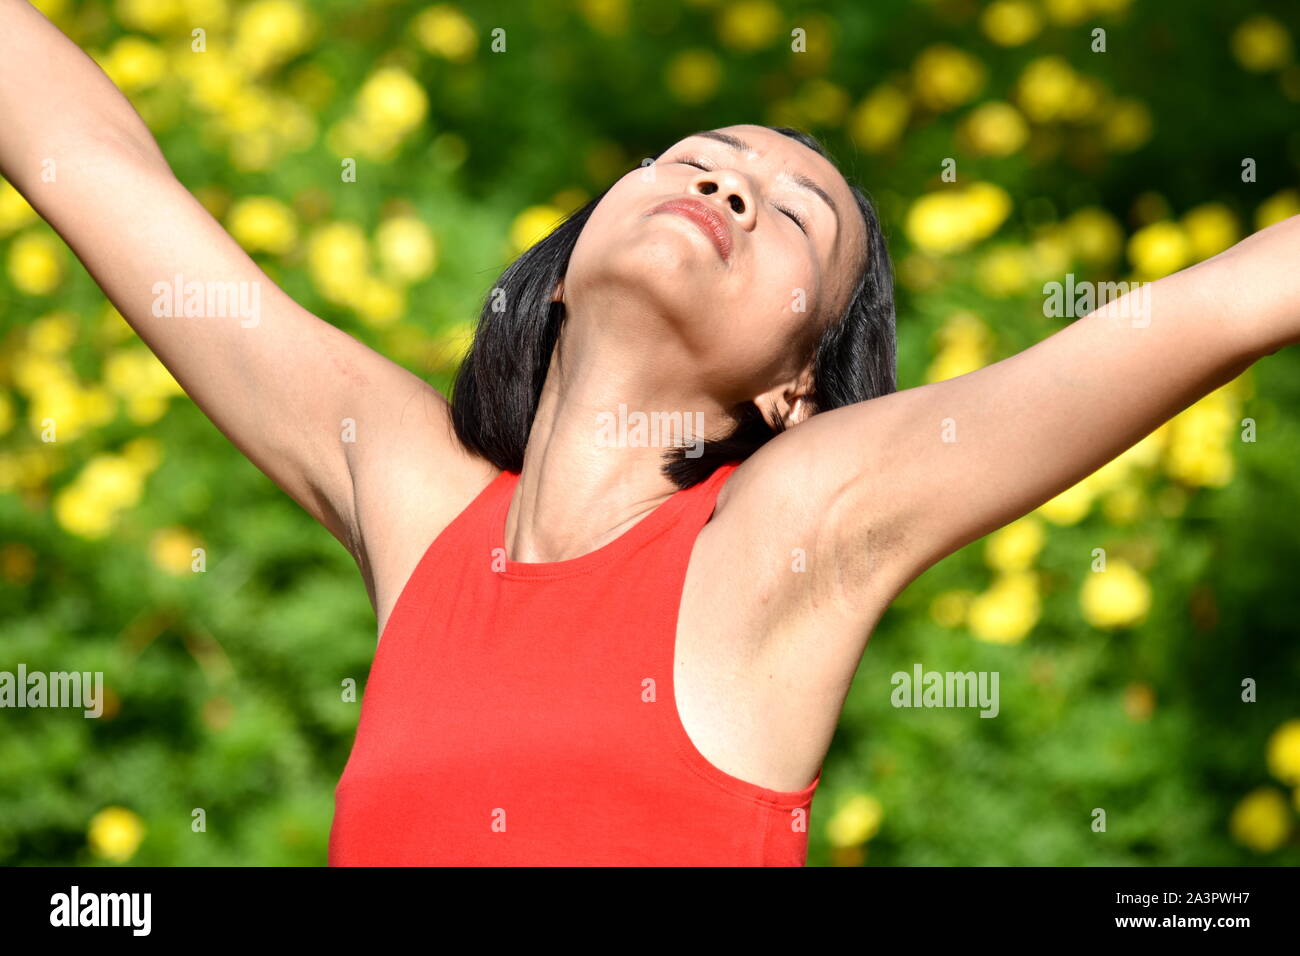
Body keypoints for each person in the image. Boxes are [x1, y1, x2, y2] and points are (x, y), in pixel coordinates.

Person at [3, 1, 1297, 865]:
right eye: (700, 156)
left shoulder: (785, 538)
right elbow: (88, 155)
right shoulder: (414, 502)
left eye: (799, 218)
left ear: (797, 386)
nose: (735, 182)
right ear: (563, 270)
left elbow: (1231, 296)